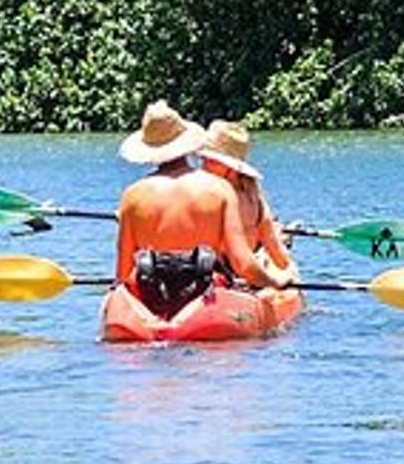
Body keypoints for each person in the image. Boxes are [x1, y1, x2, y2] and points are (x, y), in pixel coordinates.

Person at [113, 100, 284, 315]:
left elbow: (123, 272)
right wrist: (274, 282)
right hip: (207, 293)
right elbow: (243, 264)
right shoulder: (220, 190)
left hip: (153, 293)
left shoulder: (132, 196)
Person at [201, 118, 296, 276]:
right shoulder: (249, 191)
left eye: (211, 160)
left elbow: (273, 245)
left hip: (229, 274)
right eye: (203, 158)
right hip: (231, 273)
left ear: (231, 167)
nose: (204, 165)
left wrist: (287, 271)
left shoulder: (251, 193)